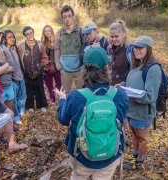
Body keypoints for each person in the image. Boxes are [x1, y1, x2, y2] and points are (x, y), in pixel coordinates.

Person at [55, 47, 129, 179]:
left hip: (81, 155)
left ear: (84, 69)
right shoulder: (121, 94)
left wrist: (62, 100)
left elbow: (63, 120)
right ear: (107, 68)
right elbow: (121, 119)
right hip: (111, 153)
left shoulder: (75, 96)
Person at [123, 36, 162, 169]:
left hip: (143, 113)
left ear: (148, 49)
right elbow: (132, 83)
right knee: (134, 135)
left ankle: (139, 163)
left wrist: (130, 94)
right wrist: (122, 86)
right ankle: (133, 157)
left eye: (141, 47)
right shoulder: (136, 65)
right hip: (131, 110)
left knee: (142, 139)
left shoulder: (153, 69)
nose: (137, 50)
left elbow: (151, 96)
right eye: (136, 47)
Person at [55, 5, 84, 93]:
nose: (67, 19)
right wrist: (59, 66)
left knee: (82, 94)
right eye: (64, 17)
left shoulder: (80, 31)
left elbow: (85, 48)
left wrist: (84, 66)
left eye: (69, 16)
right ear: (62, 19)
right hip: (65, 70)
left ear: (73, 16)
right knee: (65, 94)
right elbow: (57, 49)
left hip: (80, 70)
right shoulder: (59, 33)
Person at [18, 26, 48, 112]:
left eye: (31, 33)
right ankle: (30, 106)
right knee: (29, 90)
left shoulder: (40, 44)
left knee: (40, 88)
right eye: (27, 34)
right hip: (27, 72)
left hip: (38, 71)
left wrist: (41, 64)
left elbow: (44, 57)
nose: (29, 35)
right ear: (25, 35)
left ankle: (42, 105)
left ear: (33, 33)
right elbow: (19, 59)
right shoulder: (22, 46)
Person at [2, 30, 27, 119]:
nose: (13, 39)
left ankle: (21, 111)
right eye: (10, 37)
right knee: (14, 100)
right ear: (4, 39)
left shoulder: (15, 48)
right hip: (12, 79)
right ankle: (16, 116)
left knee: (23, 96)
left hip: (21, 76)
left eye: (13, 37)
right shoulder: (3, 51)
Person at [41, 25, 62, 104]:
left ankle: (61, 96)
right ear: (43, 33)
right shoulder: (42, 43)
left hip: (57, 67)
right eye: (45, 31)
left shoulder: (57, 41)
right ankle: (52, 96)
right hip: (47, 68)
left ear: (52, 31)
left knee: (59, 84)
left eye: (49, 30)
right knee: (49, 85)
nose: (47, 32)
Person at [107, 20, 130, 86]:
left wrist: (124, 84)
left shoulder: (129, 50)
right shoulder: (110, 49)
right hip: (111, 85)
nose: (113, 39)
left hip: (123, 88)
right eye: (112, 37)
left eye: (116, 36)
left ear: (124, 34)